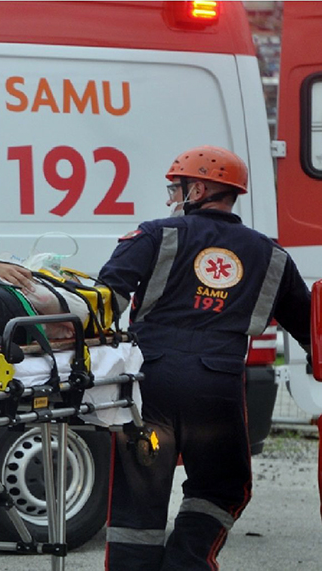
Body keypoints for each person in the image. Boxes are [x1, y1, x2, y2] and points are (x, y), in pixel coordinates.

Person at [98, 146, 312, 570]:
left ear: (196, 189)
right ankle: (186, 562)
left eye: (174, 190)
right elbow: (311, 329)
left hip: (150, 386)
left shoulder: (156, 235)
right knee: (222, 487)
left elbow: (106, 299)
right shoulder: (273, 256)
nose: (170, 199)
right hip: (217, 389)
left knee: (139, 497)